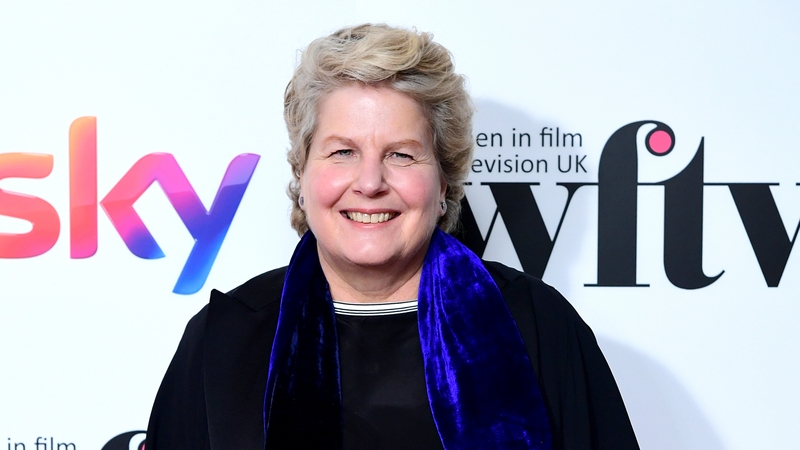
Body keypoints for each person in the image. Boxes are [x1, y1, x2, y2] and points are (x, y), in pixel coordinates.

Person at [145, 24, 639, 450]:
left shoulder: (537, 326)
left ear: (443, 183)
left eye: (401, 154)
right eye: (342, 152)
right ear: (302, 174)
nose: (370, 182)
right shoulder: (224, 341)